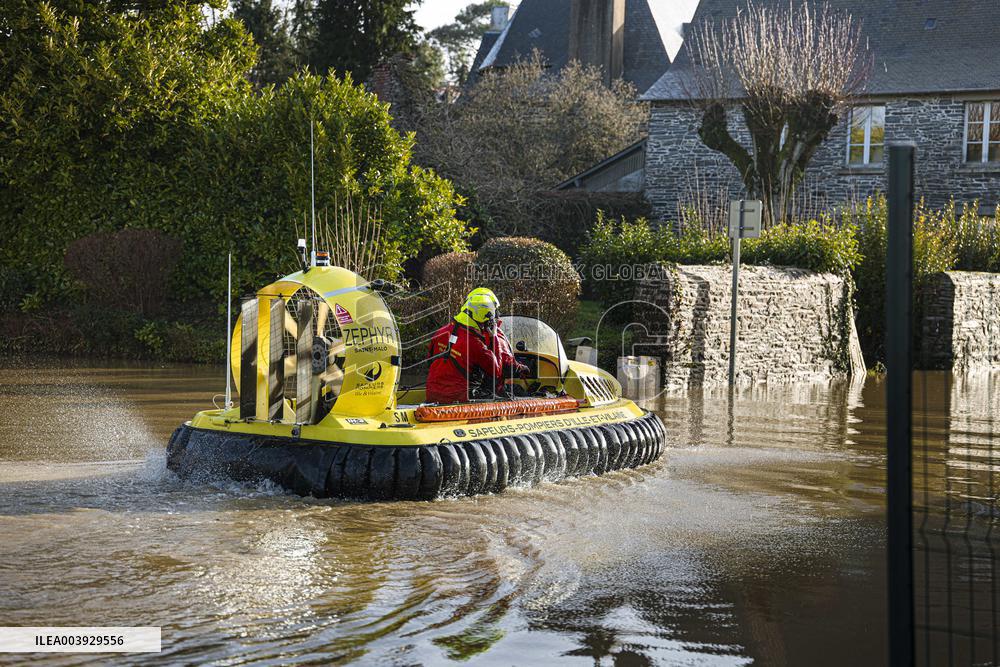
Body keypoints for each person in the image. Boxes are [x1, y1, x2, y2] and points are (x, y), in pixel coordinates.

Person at [426, 288, 529, 403]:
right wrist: (493, 337)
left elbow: (429, 362)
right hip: (459, 399)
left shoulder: (441, 332)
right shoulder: (475, 343)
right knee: (507, 397)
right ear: (487, 316)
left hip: (432, 396)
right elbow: (496, 371)